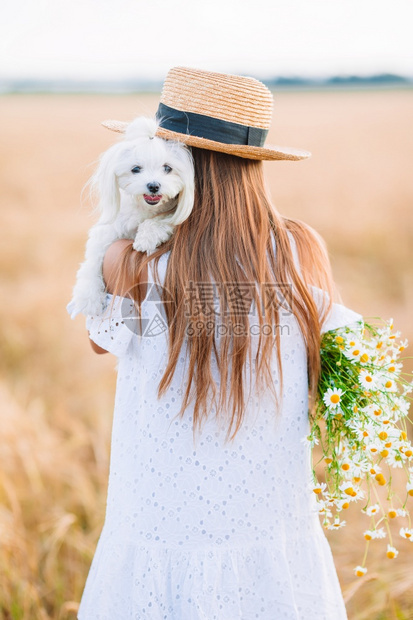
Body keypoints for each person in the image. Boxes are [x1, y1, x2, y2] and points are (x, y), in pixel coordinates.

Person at [76, 67, 361, 619]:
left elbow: (101, 342)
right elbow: (323, 356)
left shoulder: (130, 258)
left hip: (157, 507)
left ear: (180, 161)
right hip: (267, 510)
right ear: (253, 165)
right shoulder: (299, 248)